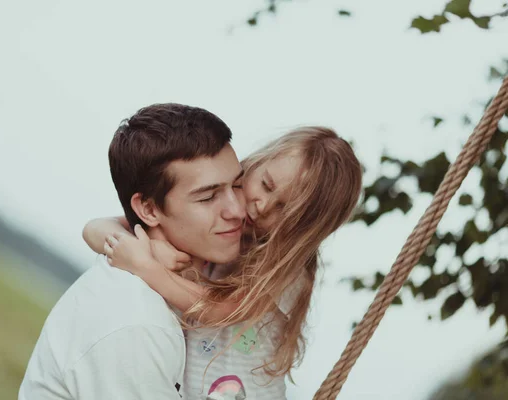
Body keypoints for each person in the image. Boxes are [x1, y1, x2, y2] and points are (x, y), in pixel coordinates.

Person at [84, 126, 363, 399]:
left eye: (283, 209)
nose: (262, 206)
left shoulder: (289, 270)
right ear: (257, 163)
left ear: (306, 228)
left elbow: (220, 310)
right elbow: (96, 227)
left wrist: (147, 267)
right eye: (266, 185)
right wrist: (145, 248)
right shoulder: (223, 224)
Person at [19, 103, 246, 399]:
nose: (238, 210)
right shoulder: (139, 323)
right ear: (149, 209)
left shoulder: (158, 290)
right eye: (208, 197)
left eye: (238, 186)